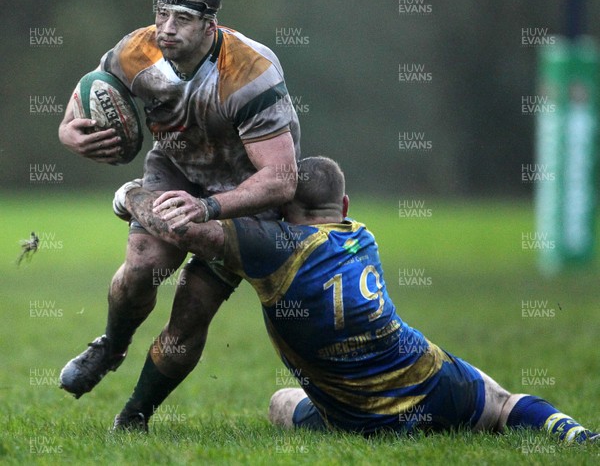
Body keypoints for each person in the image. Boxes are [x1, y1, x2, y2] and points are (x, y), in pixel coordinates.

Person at [115, 156, 598, 442]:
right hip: (428, 382)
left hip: (354, 413)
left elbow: (187, 230)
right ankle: (576, 436)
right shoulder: (361, 235)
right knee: (499, 401)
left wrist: (130, 197)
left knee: (280, 402)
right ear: (342, 207)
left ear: (281, 211)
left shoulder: (273, 248)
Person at [57, 0, 300, 425]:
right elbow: (82, 99)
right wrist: (71, 134)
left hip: (241, 194)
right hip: (175, 169)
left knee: (192, 310)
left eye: (182, 19)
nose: (167, 29)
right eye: (161, 15)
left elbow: (281, 179)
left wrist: (208, 207)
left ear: (210, 24)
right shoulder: (136, 50)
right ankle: (111, 345)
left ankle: (134, 417)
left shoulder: (251, 73)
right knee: (144, 267)